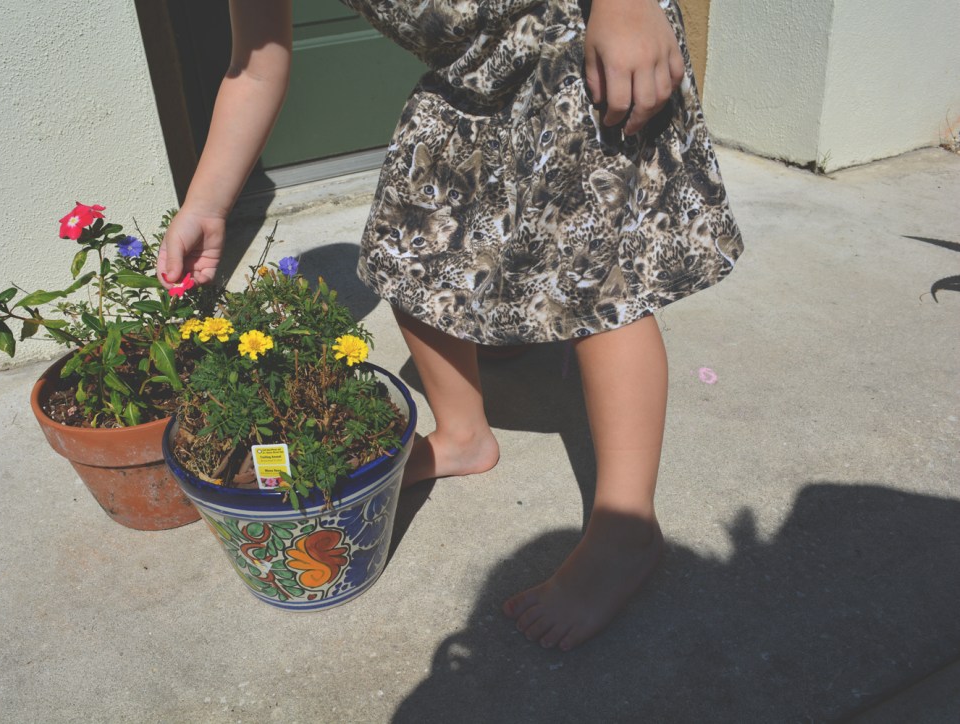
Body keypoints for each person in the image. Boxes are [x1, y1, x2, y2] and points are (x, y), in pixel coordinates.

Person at [159, 0, 742, 651]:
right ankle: (464, 435)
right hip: (469, 70)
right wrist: (206, 204)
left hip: (583, 37)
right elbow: (256, 62)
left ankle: (625, 528)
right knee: (405, 239)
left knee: (594, 279)